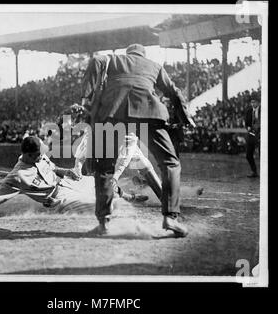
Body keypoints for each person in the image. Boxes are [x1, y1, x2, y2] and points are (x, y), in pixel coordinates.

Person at [81, 43, 195, 237]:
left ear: (128, 54)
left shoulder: (112, 60)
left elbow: (96, 60)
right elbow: (174, 92)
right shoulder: (154, 65)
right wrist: (186, 118)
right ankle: (170, 218)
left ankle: (104, 222)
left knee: (105, 168)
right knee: (170, 163)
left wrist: (86, 98)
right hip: (149, 111)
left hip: (113, 111)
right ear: (143, 55)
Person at [0, 136, 145, 219]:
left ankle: (129, 197)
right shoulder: (18, 176)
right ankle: (113, 215)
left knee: (99, 180)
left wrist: (67, 172)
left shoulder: (40, 157)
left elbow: (54, 167)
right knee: (94, 204)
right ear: (27, 155)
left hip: (66, 183)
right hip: (60, 198)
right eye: (38, 154)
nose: (42, 156)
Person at [245, 99, 260, 177]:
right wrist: (248, 128)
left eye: (254, 102)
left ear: (258, 102)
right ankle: (254, 171)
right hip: (251, 134)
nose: (253, 104)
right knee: (248, 155)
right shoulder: (249, 111)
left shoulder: (263, 110)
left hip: (261, 135)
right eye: (251, 102)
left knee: (262, 155)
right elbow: (246, 123)